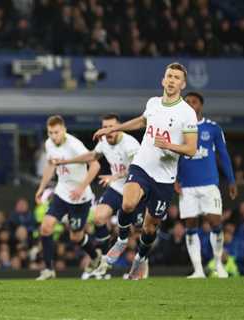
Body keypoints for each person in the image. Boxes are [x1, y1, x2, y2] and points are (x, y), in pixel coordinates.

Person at [93, 62, 198, 280]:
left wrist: (169, 145)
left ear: (183, 84)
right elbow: (142, 121)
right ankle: (122, 239)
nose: (171, 80)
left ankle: (140, 260)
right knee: (128, 203)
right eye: (169, 76)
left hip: (165, 177)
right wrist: (115, 128)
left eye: (176, 78)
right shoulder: (153, 103)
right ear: (163, 80)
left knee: (150, 228)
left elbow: (191, 149)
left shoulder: (187, 113)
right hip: (142, 165)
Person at [52, 114, 143, 278]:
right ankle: (105, 260)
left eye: (111, 127)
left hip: (134, 187)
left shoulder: (130, 144)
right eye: (105, 127)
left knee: (138, 230)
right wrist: (67, 161)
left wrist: (114, 176)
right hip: (116, 188)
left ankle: (140, 268)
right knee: (99, 217)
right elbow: (92, 156)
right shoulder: (103, 143)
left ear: (118, 126)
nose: (108, 131)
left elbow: (137, 168)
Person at [176, 91, 237, 278]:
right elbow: (172, 156)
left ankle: (218, 265)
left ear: (201, 105)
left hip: (209, 183)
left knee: (215, 223)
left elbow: (223, 155)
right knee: (190, 225)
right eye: (187, 102)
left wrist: (231, 180)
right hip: (186, 185)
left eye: (194, 102)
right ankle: (198, 270)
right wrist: (174, 179)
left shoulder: (213, 128)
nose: (190, 104)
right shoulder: (177, 128)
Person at [35, 115, 100, 280]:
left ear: (64, 130)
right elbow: (51, 165)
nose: (53, 136)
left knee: (75, 236)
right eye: (50, 132)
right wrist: (42, 188)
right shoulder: (49, 144)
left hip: (79, 197)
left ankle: (95, 256)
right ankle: (49, 270)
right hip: (62, 193)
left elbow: (95, 164)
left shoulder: (74, 145)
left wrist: (82, 187)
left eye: (56, 132)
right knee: (46, 227)